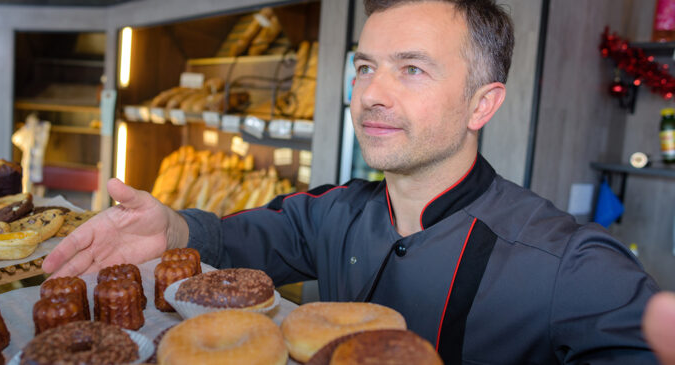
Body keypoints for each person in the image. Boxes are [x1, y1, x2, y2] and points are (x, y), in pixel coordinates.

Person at [43, 0, 661, 363]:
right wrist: (171, 226)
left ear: (482, 104)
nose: (371, 94)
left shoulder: (569, 265)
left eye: (411, 69)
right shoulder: (332, 212)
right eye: (364, 67)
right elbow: (231, 242)